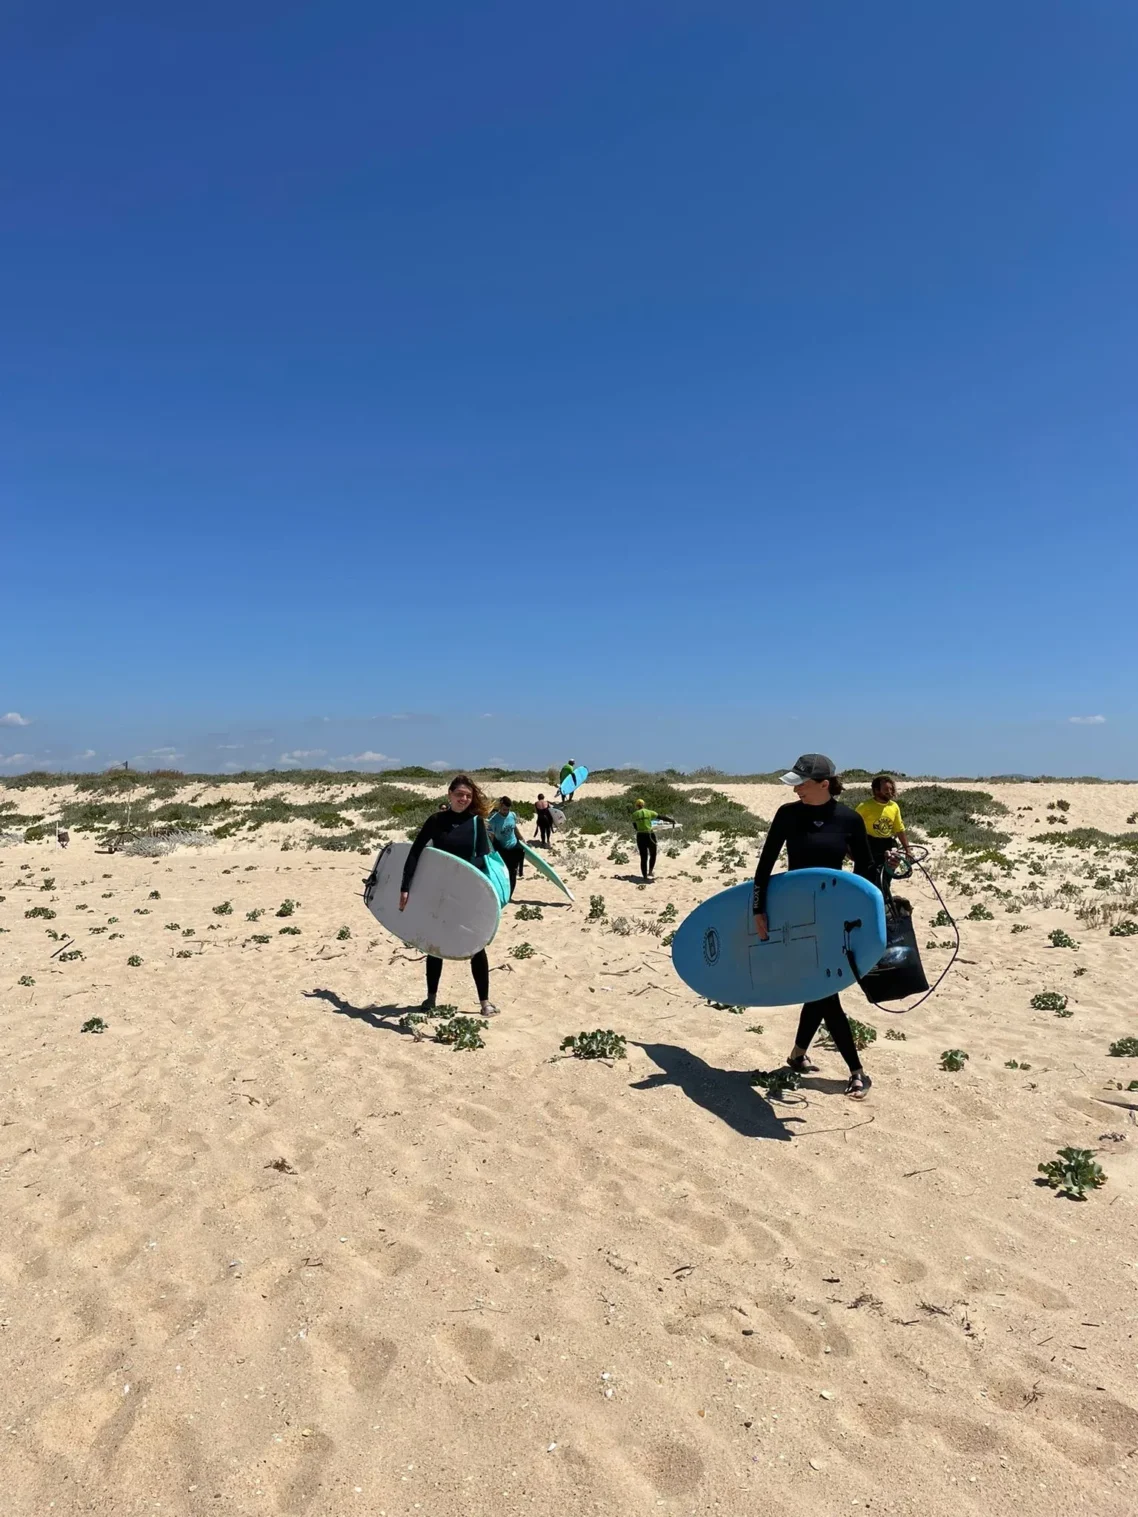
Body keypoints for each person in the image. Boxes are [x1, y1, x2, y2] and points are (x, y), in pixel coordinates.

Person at [752, 754, 879, 1100]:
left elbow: (866, 871)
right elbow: (765, 864)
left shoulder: (849, 820)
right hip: (795, 915)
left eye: (802, 784)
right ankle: (855, 1071)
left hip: (834, 918)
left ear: (825, 785)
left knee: (821, 986)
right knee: (821, 987)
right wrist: (758, 909)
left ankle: (800, 1056)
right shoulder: (788, 815)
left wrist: (868, 908)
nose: (796, 791)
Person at [399, 774, 499, 1016]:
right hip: (439, 892)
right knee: (435, 944)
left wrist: (482, 898)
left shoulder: (476, 824)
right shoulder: (436, 820)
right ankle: (431, 998)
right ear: (449, 795)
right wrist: (405, 886)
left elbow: (482, 864)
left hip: (466, 893)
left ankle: (484, 1003)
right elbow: (415, 853)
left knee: (477, 945)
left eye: (467, 795)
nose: (463, 799)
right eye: (459, 795)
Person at [856, 775, 913, 899]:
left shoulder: (894, 806)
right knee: (866, 879)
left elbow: (899, 829)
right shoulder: (864, 806)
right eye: (886, 790)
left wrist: (907, 850)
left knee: (885, 879)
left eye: (892, 789)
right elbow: (852, 827)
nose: (890, 792)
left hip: (887, 845)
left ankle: (884, 904)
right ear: (876, 790)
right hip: (869, 844)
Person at [487, 796, 525, 900]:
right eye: (504, 809)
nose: (506, 811)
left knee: (513, 872)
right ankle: (503, 892)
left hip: (514, 846)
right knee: (504, 872)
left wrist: (521, 838)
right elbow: (491, 836)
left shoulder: (512, 815)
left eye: (508, 809)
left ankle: (510, 896)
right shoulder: (494, 820)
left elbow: (514, 828)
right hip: (503, 850)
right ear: (500, 806)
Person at [631, 798, 677, 881]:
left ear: (636, 806)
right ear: (643, 805)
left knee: (643, 857)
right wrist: (671, 820)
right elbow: (661, 817)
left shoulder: (634, 814)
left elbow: (635, 827)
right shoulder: (649, 812)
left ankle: (644, 876)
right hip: (650, 835)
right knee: (653, 854)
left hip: (640, 836)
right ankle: (650, 872)